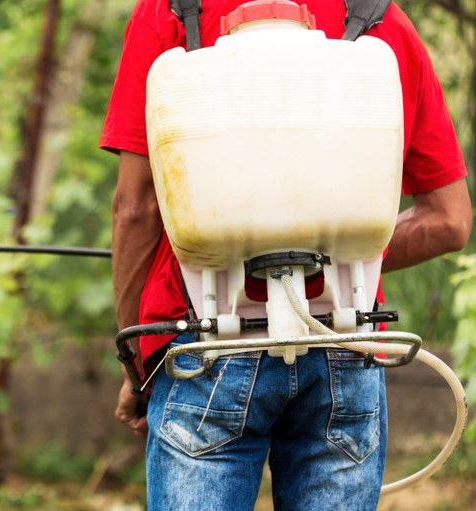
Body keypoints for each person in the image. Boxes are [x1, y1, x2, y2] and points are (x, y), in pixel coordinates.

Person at [100, 0, 472, 509]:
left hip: (204, 345)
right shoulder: (379, 18)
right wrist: (332, 253)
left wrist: (135, 362)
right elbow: (449, 221)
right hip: (346, 342)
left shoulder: (170, 12)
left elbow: (136, 209)